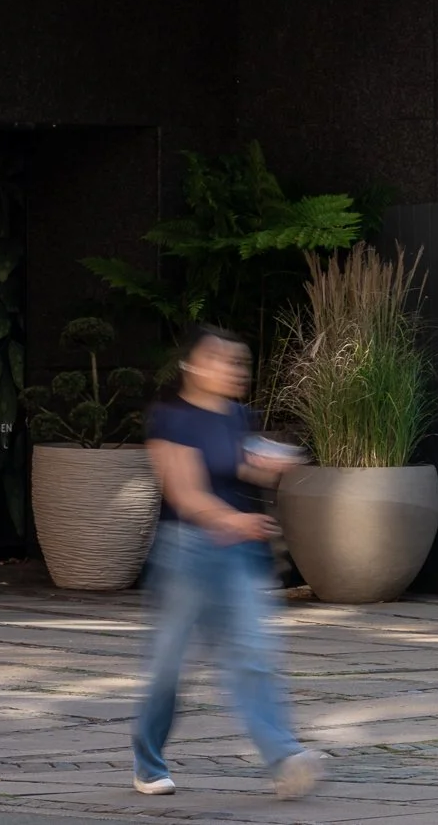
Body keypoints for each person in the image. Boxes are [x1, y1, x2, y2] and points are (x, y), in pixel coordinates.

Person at [131, 325, 328, 800]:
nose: (234, 369)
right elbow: (186, 494)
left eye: (239, 362)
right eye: (222, 359)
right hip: (187, 554)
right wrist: (234, 520)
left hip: (238, 556)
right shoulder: (171, 420)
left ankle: (284, 758)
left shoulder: (239, 415)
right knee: (169, 668)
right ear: (193, 366)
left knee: (254, 656)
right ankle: (148, 761)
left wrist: (272, 464)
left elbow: (238, 467)